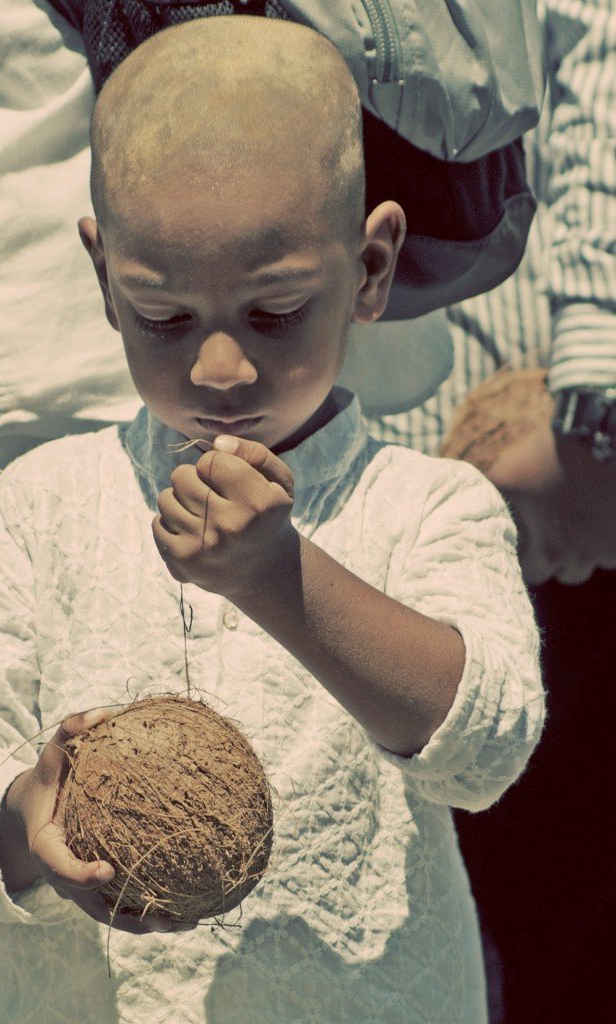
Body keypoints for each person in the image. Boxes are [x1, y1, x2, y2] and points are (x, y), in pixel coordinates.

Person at [0, 17, 544, 1024]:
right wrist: (25, 820)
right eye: (164, 317)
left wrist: (282, 582)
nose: (219, 369)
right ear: (104, 276)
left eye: (273, 311)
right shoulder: (44, 503)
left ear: (369, 268)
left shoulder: (427, 504)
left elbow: (486, 746)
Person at [356, 0, 616, 1019]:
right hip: (392, 460)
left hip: (551, 449)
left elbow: (596, 38)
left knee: (561, 897)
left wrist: (594, 403)